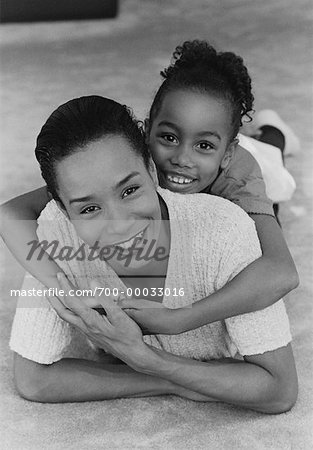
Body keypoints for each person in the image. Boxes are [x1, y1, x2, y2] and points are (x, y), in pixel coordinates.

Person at [9, 95, 298, 412]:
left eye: (129, 190)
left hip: (245, 178)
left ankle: (272, 131)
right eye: (90, 208)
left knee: (273, 168)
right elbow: (33, 379)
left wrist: (150, 359)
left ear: (150, 167)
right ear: (62, 208)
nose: (119, 225)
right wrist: (164, 375)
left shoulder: (226, 228)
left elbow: (279, 390)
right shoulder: (55, 231)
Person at [0, 40, 299, 334]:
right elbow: (10, 214)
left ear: (226, 152)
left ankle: (273, 129)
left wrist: (183, 318)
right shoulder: (132, 161)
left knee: (274, 163)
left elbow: (280, 273)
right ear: (147, 130)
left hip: (253, 171)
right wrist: (63, 288)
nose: (181, 159)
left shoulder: (239, 176)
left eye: (203, 145)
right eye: (168, 137)